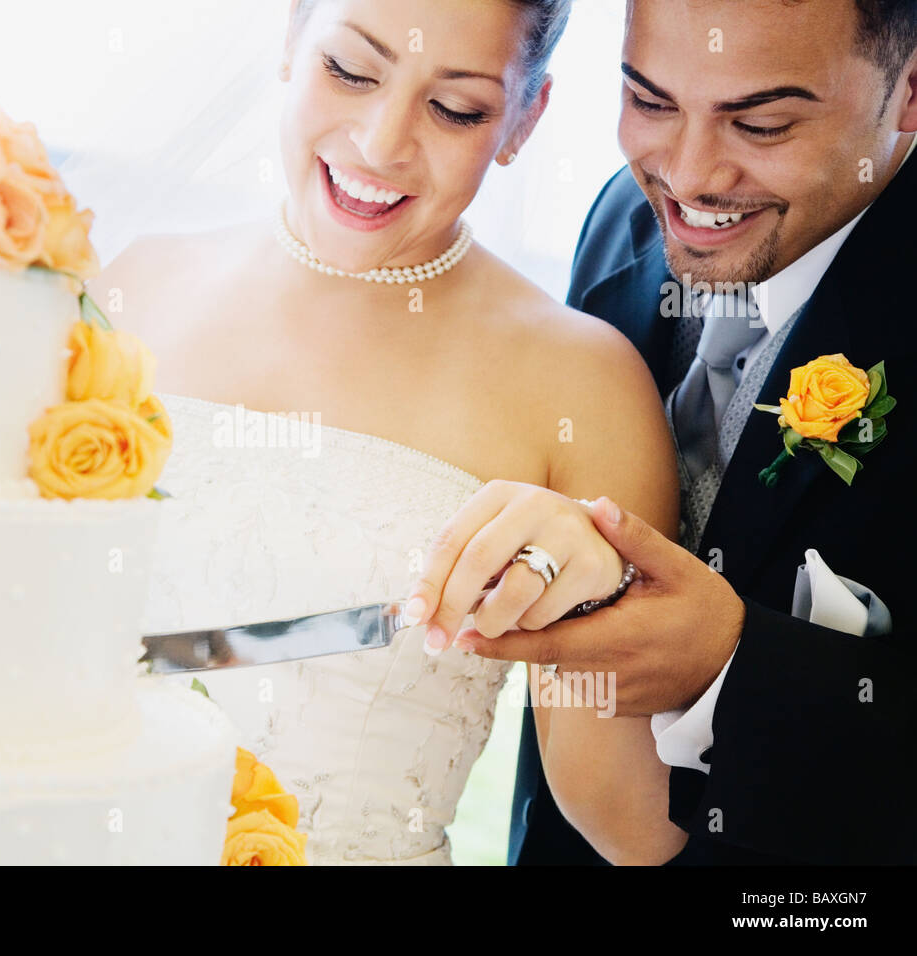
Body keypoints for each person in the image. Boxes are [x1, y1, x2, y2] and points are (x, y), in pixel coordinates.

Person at [92, 0, 682, 864]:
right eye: (351, 71)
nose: (380, 143)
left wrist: (593, 593)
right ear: (293, 39)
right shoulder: (131, 286)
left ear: (525, 119)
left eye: (456, 109)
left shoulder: (585, 385)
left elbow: (633, 828)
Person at [411, 0, 917, 864]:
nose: (686, 176)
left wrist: (736, 664)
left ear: (907, 93)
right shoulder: (624, 215)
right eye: (649, 102)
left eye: (758, 124)